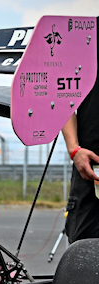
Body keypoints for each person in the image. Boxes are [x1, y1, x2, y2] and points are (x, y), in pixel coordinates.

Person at [61, 72, 99, 243]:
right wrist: (74, 149)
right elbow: (61, 93)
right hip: (90, 168)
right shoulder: (82, 52)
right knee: (83, 246)